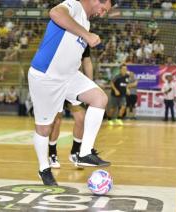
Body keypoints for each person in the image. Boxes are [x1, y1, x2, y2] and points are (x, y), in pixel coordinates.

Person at [28, 0, 115, 186]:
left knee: (99, 98)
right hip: (46, 76)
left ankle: (84, 152)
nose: (102, 13)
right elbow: (55, 13)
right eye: (103, 9)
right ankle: (44, 168)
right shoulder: (74, 6)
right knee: (44, 129)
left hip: (69, 76)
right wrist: (87, 35)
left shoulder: (87, 21)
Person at [48, 45, 96, 168]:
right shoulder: (60, 37)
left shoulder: (83, 39)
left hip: (73, 83)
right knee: (56, 121)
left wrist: (89, 86)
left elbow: (87, 61)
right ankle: (52, 154)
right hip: (56, 82)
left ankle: (75, 152)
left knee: (81, 118)